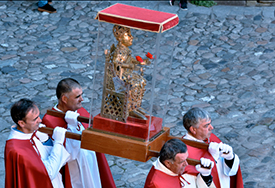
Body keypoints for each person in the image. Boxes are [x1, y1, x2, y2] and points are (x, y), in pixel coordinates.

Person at [42, 78, 116, 188]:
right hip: (74, 170)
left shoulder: (80, 111)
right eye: (77, 97)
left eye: (81, 95)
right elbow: (63, 153)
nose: (82, 99)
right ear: (64, 99)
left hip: (92, 163)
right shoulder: (50, 120)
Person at [5, 98, 70, 188]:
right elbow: (49, 173)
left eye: (39, 116)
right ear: (21, 123)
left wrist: (46, 140)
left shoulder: (29, 132)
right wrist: (58, 142)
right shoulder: (19, 150)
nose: (40, 120)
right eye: (35, 119)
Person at [182, 107, 244, 188]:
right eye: (206, 125)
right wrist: (212, 160)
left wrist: (230, 158)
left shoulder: (212, 138)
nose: (211, 127)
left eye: (210, 123)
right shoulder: (184, 151)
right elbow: (191, 182)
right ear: (193, 129)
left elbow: (225, 168)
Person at [144, 138, 216, 188]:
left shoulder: (174, 165)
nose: (187, 164)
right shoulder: (156, 185)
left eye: (186, 159)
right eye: (182, 162)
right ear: (168, 163)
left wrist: (205, 176)